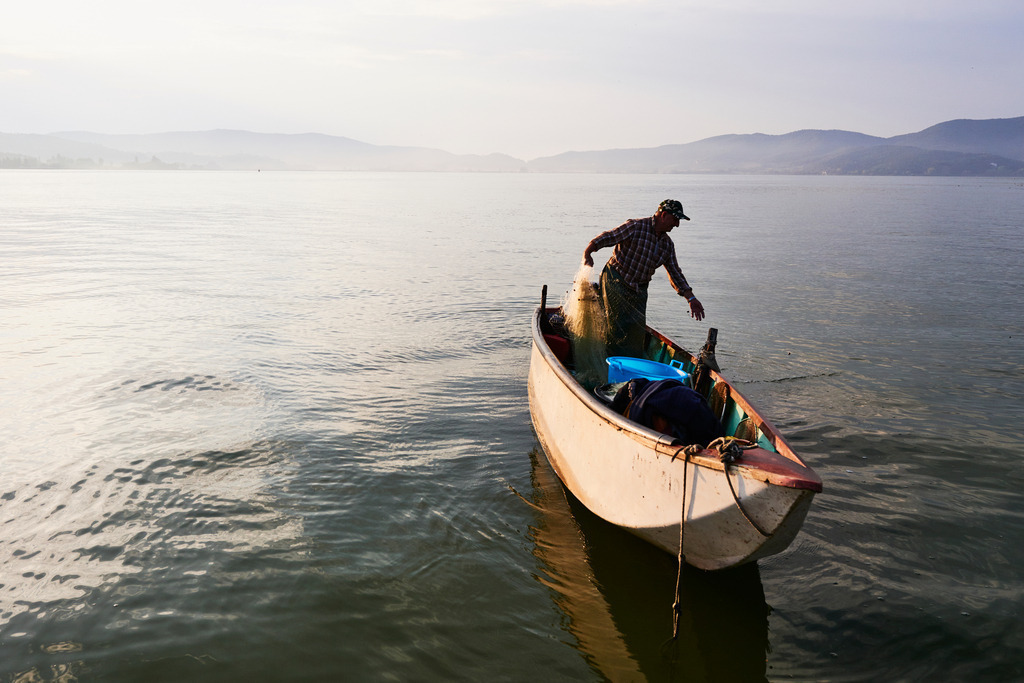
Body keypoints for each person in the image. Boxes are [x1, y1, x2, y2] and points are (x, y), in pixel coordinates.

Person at [583, 199, 705, 357]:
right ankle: (609, 361)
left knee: (635, 332)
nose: (676, 225)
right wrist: (588, 252)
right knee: (616, 326)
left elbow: (675, 273)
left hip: (639, 289)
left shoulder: (667, 245)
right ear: (663, 215)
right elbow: (609, 237)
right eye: (675, 219)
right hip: (616, 279)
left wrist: (691, 298)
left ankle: (630, 364)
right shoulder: (635, 226)